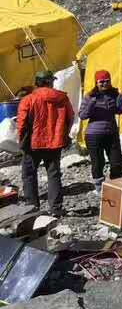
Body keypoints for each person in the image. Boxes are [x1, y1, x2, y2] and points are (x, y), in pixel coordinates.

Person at [16, 68, 74, 216]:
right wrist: (64, 136)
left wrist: (21, 142)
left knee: (29, 175)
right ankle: (56, 208)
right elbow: (70, 118)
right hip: (55, 143)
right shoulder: (62, 98)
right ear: (50, 82)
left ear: (37, 83)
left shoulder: (28, 99)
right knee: (54, 174)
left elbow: (22, 124)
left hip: (32, 144)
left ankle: (32, 209)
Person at [79, 70, 122, 186]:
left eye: (107, 81)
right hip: (94, 135)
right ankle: (99, 186)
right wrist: (92, 102)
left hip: (111, 133)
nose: (104, 84)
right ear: (96, 82)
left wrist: (121, 97)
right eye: (101, 82)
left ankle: (116, 185)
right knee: (98, 162)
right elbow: (83, 115)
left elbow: (119, 110)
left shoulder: (114, 94)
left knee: (116, 162)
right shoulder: (90, 96)